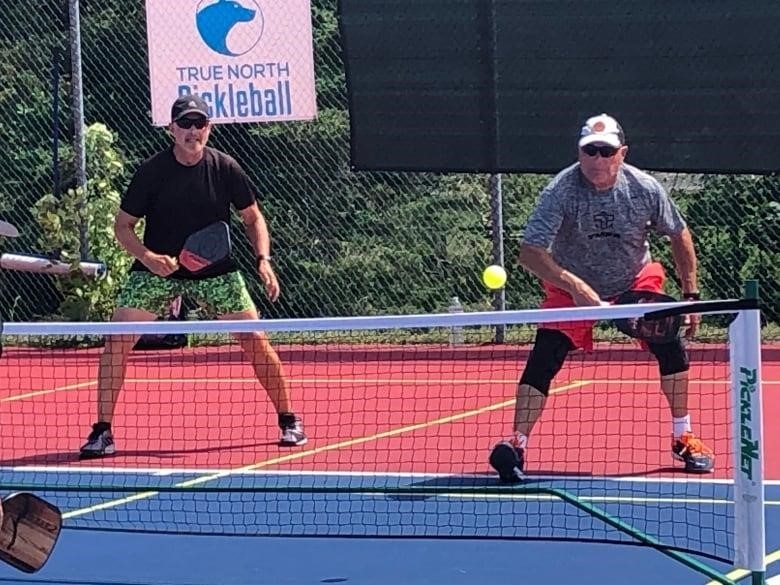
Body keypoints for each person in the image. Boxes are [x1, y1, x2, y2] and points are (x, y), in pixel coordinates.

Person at [79, 94, 307, 459]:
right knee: (117, 340)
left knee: (254, 340)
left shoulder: (225, 167)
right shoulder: (152, 172)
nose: (192, 131)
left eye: (199, 124)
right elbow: (123, 227)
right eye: (184, 124)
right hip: (159, 271)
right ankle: (102, 432)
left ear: (209, 129)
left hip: (216, 272)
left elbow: (253, 218)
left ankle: (288, 420)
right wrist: (148, 258)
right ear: (171, 129)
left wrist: (263, 259)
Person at [488, 113, 714, 483]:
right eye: (589, 151)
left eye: (605, 151)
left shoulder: (644, 188)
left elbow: (679, 235)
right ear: (579, 153)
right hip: (571, 284)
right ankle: (516, 445)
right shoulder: (560, 190)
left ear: (621, 153)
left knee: (669, 343)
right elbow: (530, 252)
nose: (597, 159)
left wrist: (690, 294)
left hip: (633, 280)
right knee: (546, 354)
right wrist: (575, 286)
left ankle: (683, 436)